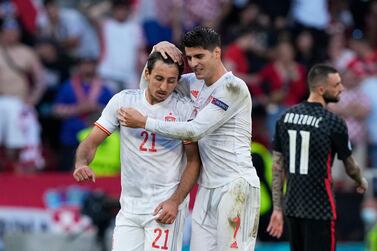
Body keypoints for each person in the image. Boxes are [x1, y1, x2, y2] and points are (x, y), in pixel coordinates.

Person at [119, 26, 260, 251]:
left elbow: (195, 130)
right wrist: (155, 53)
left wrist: (145, 123)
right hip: (206, 187)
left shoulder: (233, 88)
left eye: (200, 56)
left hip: (235, 185)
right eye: (190, 57)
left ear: (217, 53)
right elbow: (149, 87)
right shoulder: (192, 82)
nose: (194, 63)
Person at [73, 51, 201, 251]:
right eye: (159, 78)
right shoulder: (123, 102)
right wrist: (81, 163)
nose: (163, 87)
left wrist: (175, 201)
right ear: (147, 74)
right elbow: (91, 141)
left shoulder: (184, 110)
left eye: (171, 81)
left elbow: (194, 162)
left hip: (164, 206)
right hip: (129, 208)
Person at [266, 64, 368, 251]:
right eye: (336, 85)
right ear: (321, 89)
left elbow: (277, 168)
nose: (341, 88)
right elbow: (350, 166)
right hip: (320, 209)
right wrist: (360, 180)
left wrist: (278, 209)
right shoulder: (333, 122)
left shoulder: (285, 118)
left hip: (292, 208)